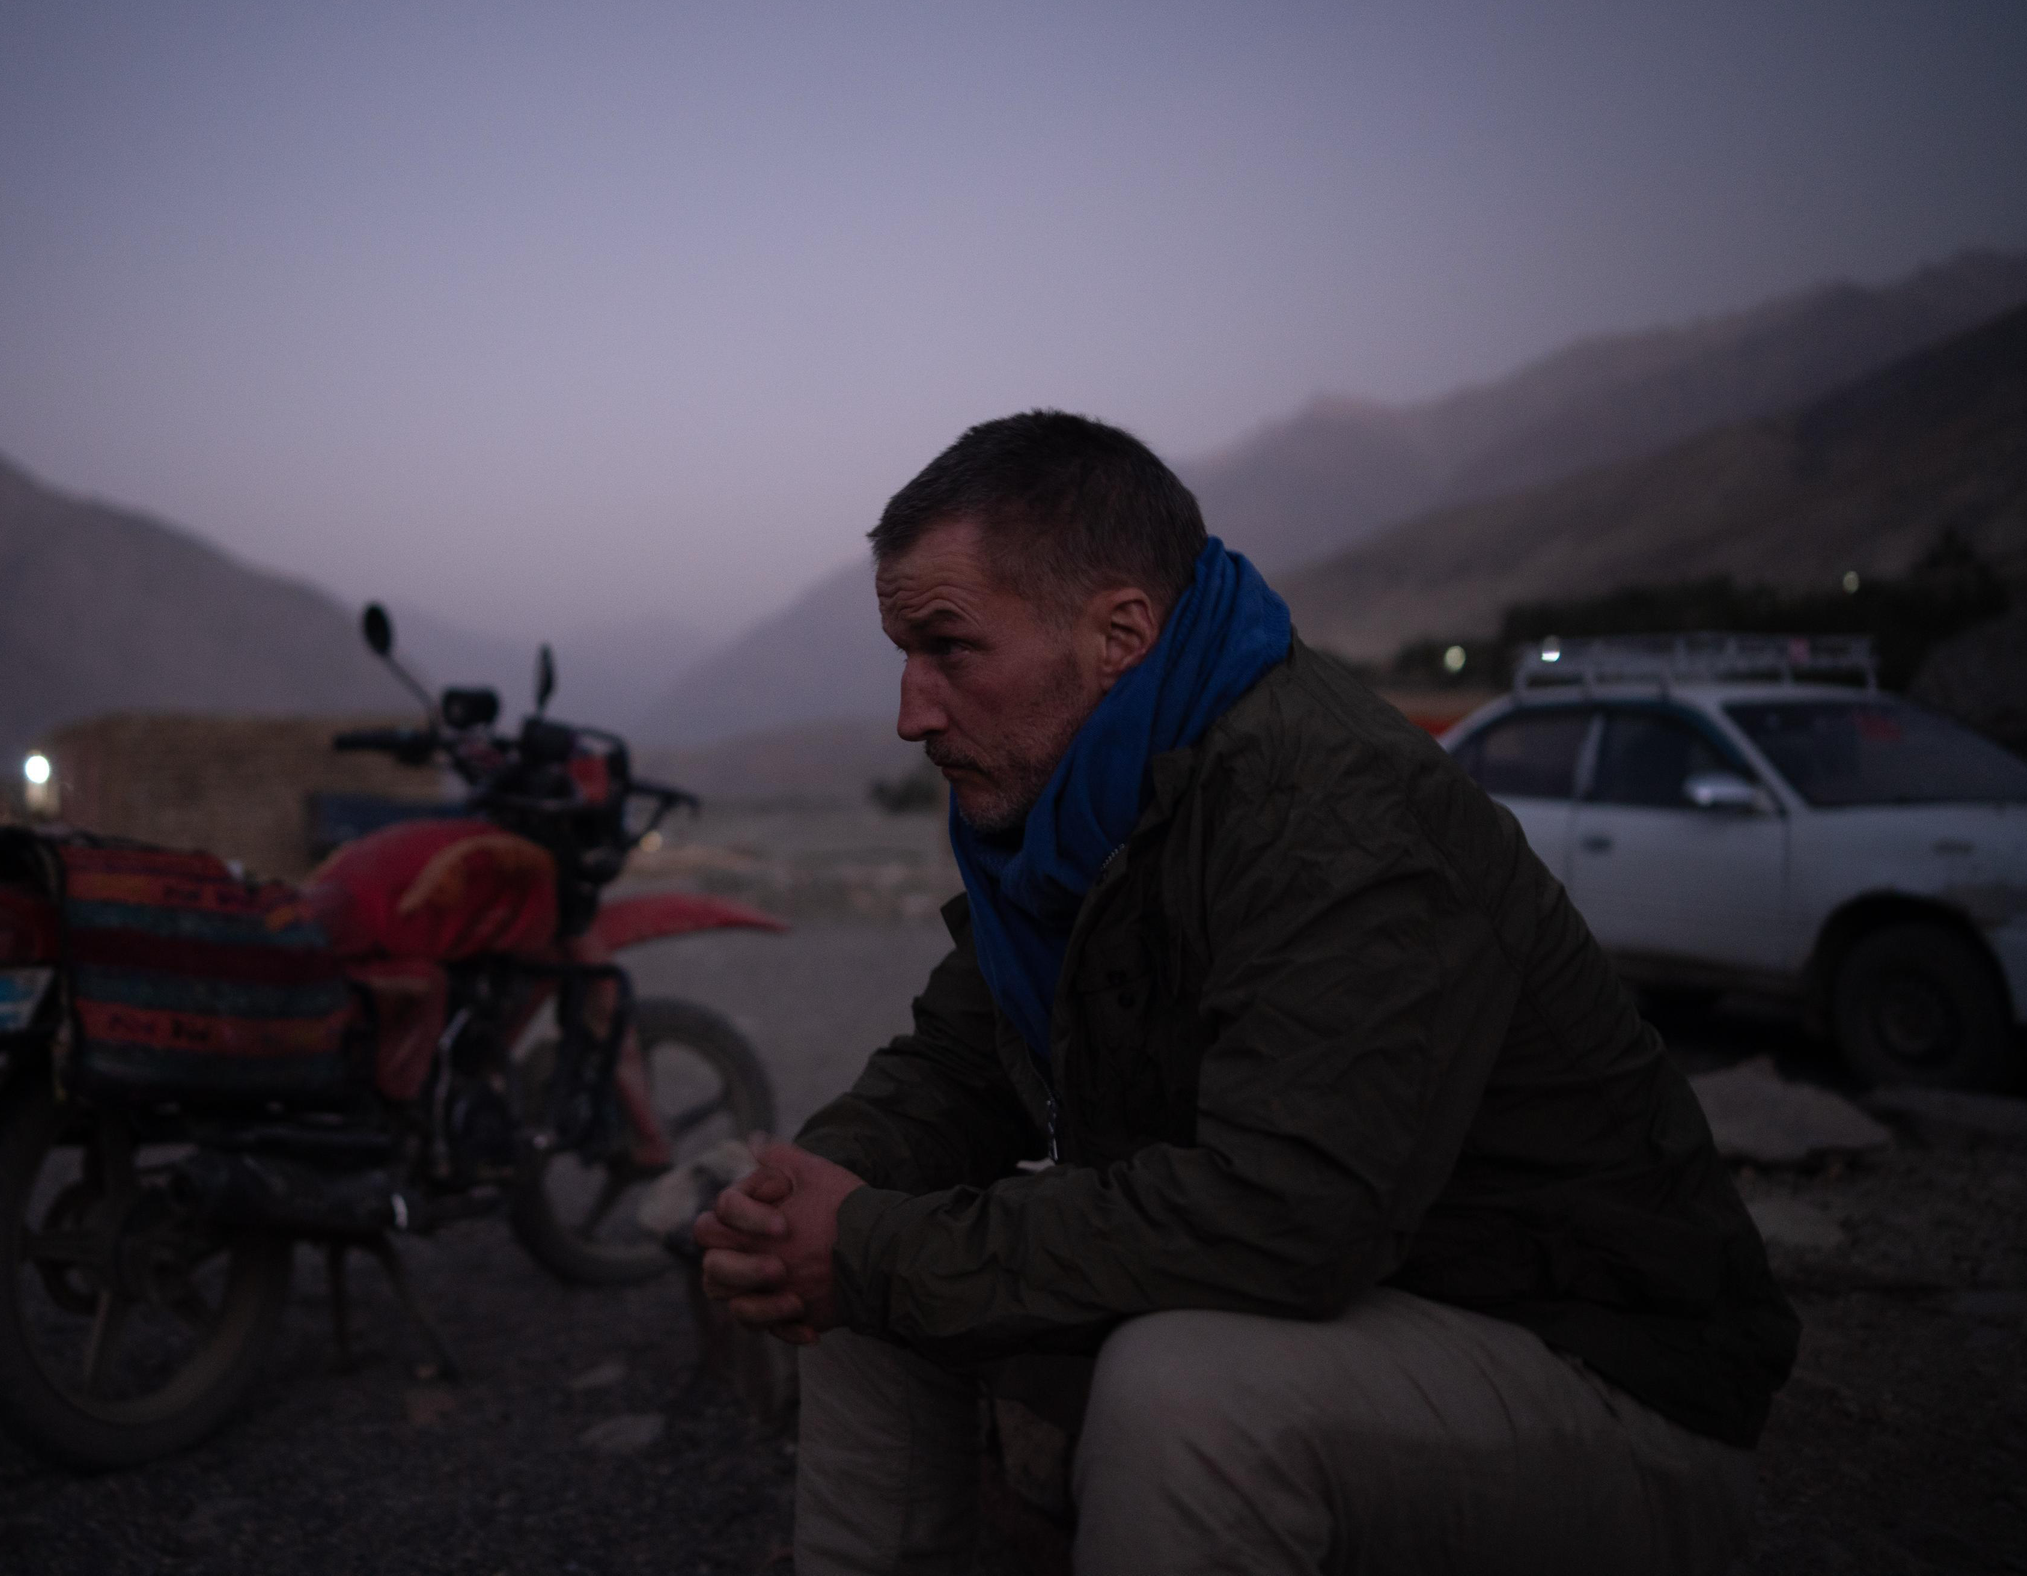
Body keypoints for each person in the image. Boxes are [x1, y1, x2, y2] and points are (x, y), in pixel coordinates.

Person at [695, 412, 1797, 1576]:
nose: (912, 710)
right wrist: (805, 1195)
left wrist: (867, 1243)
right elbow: (960, 1064)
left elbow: (1289, 1215)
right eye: (901, 656)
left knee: (1182, 1391)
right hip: (1355, 1310)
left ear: (1120, 633)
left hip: (1592, 1370)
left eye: (949, 648)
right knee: (865, 1270)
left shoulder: (1331, 809)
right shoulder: (1080, 817)